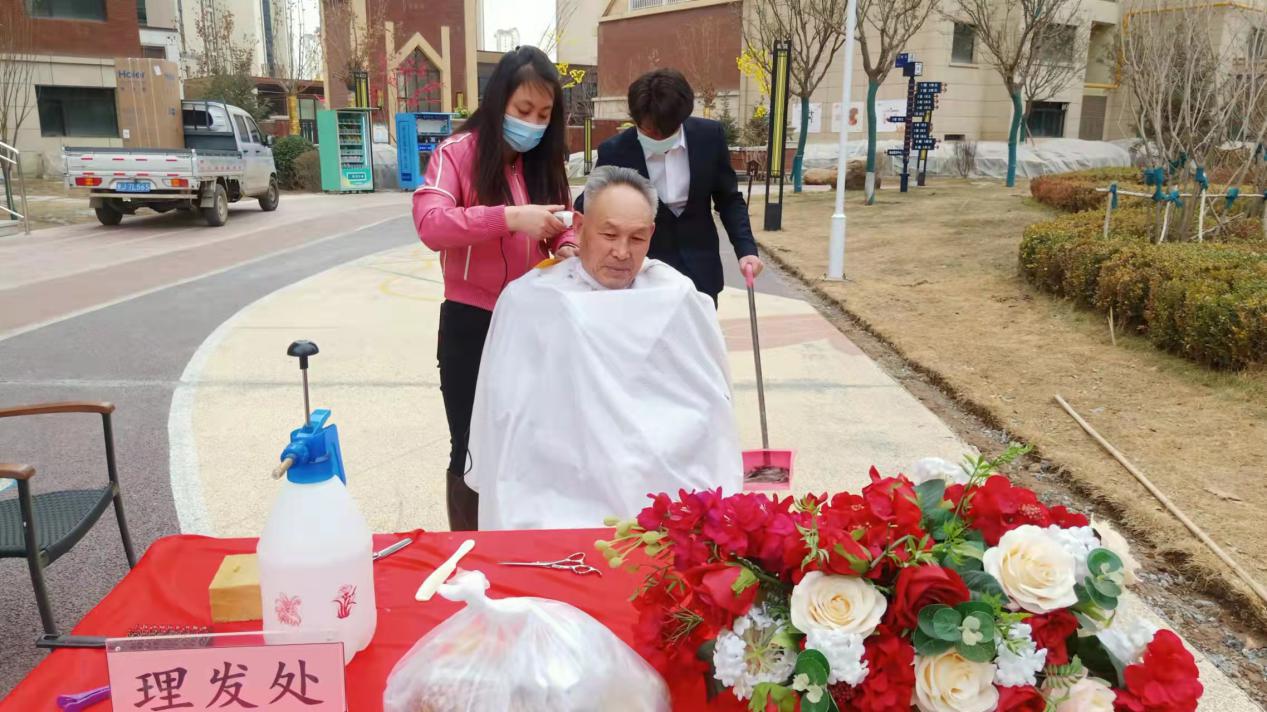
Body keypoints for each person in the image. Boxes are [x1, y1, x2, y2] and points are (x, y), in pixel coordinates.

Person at [466, 166, 743, 530]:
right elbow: (506, 411)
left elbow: (711, 405)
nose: (622, 252)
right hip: (557, 480)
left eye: (637, 238)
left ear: (652, 234)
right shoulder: (532, 299)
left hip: (656, 473)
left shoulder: (675, 296)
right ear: (580, 227)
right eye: (609, 235)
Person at [413, 46, 577, 532]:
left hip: (531, 318)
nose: (533, 124)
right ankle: (469, 545)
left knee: (529, 437)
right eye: (524, 110)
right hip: (472, 321)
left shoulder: (542, 160)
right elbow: (431, 223)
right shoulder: (456, 154)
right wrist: (508, 218)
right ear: (498, 100)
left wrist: (566, 242)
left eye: (544, 115)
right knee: (469, 444)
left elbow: (562, 220)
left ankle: (521, 538)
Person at [576, 69, 763, 304]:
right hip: (643, 273)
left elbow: (729, 199)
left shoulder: (709, 137)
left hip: (701, 270)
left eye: (666, 132)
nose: (658, 138)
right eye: (649, 131)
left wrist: (746, 249)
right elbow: (589, 203)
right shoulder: (616, 151)